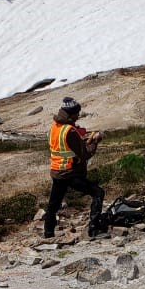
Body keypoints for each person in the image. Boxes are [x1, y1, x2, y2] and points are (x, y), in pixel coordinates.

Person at [44, 96, 106, 240]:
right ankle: (94, 229)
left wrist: (80, 137)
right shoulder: (70, 131)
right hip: (71, 173)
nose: (78, 115)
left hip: (57, 172)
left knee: (53, 205)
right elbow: (84, 154)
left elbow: (64, 146)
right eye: (77, 113)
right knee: (98, 193)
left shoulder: (55, 127)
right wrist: (95, 140)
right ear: (71, 114)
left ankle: (48, 234)